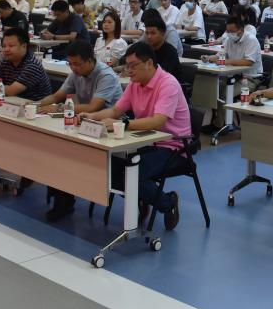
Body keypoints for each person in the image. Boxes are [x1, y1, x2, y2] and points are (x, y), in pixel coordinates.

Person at [80, 41, 190, 229]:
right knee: (108, 166)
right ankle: (142, 198)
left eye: (133, 66)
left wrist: (124, 124)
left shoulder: (168, 83)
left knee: (134, 174)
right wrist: (92, 117)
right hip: (144, 141)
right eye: (127, 66)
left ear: (149, 63)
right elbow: (116, 110)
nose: (128, 71)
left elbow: (158, 121)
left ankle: (168, 203)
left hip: (172, 146)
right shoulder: (135, 84)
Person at [36, 41, 124, 221]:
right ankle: (63, 200)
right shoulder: (76, 73)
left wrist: (58, 108)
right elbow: (57, 96)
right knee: (56, 149)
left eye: (77, 64)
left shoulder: (105, 75)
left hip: (109, 130)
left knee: (67, 155)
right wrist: (37, 105)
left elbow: (93, 107)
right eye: (70, 64)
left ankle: (64, 200)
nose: (73, 68)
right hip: (85, 124)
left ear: (90, 60)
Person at [0, 28, 51, 101]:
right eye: (4, 46)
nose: (6, 49)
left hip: (34, 106)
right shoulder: (5, 62)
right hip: (12, 103)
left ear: (24, 46)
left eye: (11, 46)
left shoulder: (32, 65)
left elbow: (10, 92)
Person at [142, 16, 180, 80]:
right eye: (147, 33)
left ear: (162, 34)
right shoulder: (145, 50)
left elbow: (161, 75)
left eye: (153, 33)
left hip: (167, 84)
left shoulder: (170, 52)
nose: (149, 36)